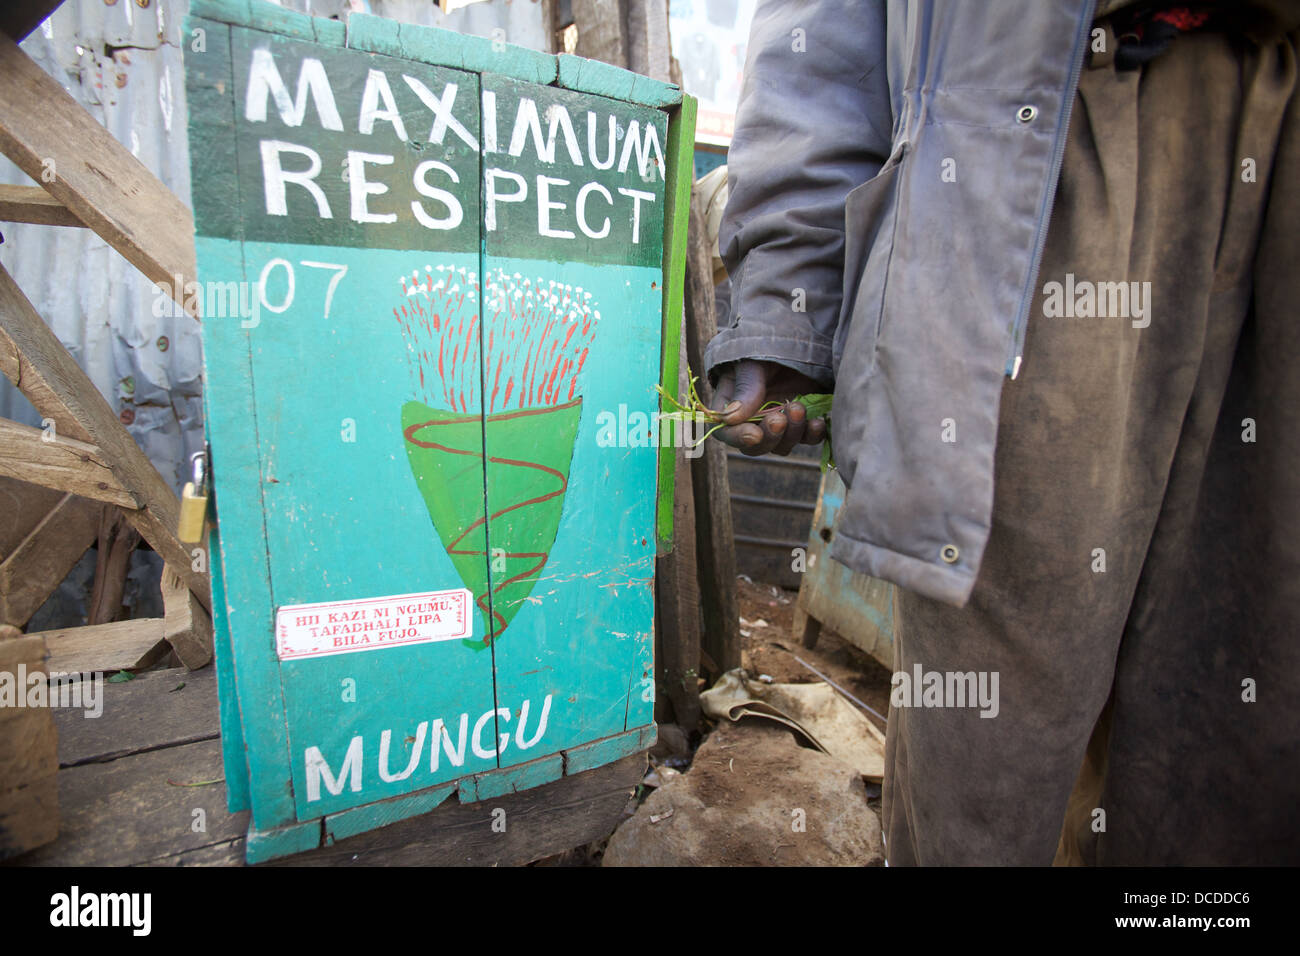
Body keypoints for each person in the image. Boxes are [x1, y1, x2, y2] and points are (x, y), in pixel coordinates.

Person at [706, 0, 1300, 865]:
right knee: (984, 784)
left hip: (1280, 149)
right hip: (1029, 170)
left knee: (1236, 744)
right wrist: (791, 303)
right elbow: (821, 33)